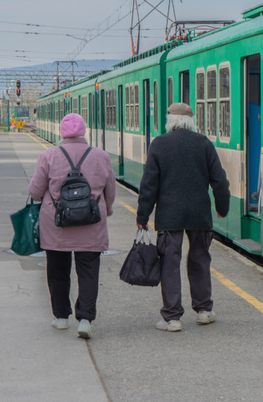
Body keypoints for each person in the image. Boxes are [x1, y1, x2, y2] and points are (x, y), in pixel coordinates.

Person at [136, 102, 229, 332]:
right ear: (191, 120)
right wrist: (222, 207)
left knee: (169, 262)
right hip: (199, 214)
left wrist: (142, 215)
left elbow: (149, 185)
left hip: (170, 214)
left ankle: (172, 317)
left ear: (170, 120)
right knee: (200, 259)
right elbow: (220, 180)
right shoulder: (204, 143)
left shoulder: (159, 144)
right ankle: (204, 310)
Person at [28, 113, 115, 339]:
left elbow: (35, 192)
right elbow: (110, 190)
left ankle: (61, 317)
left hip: (57, 225)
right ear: (84, 131)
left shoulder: (48, 156)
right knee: (88, 272)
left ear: (62, 132)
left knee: (57, 271)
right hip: (92, 224)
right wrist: (108, 209)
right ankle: (85, 319)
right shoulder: (100, 156)